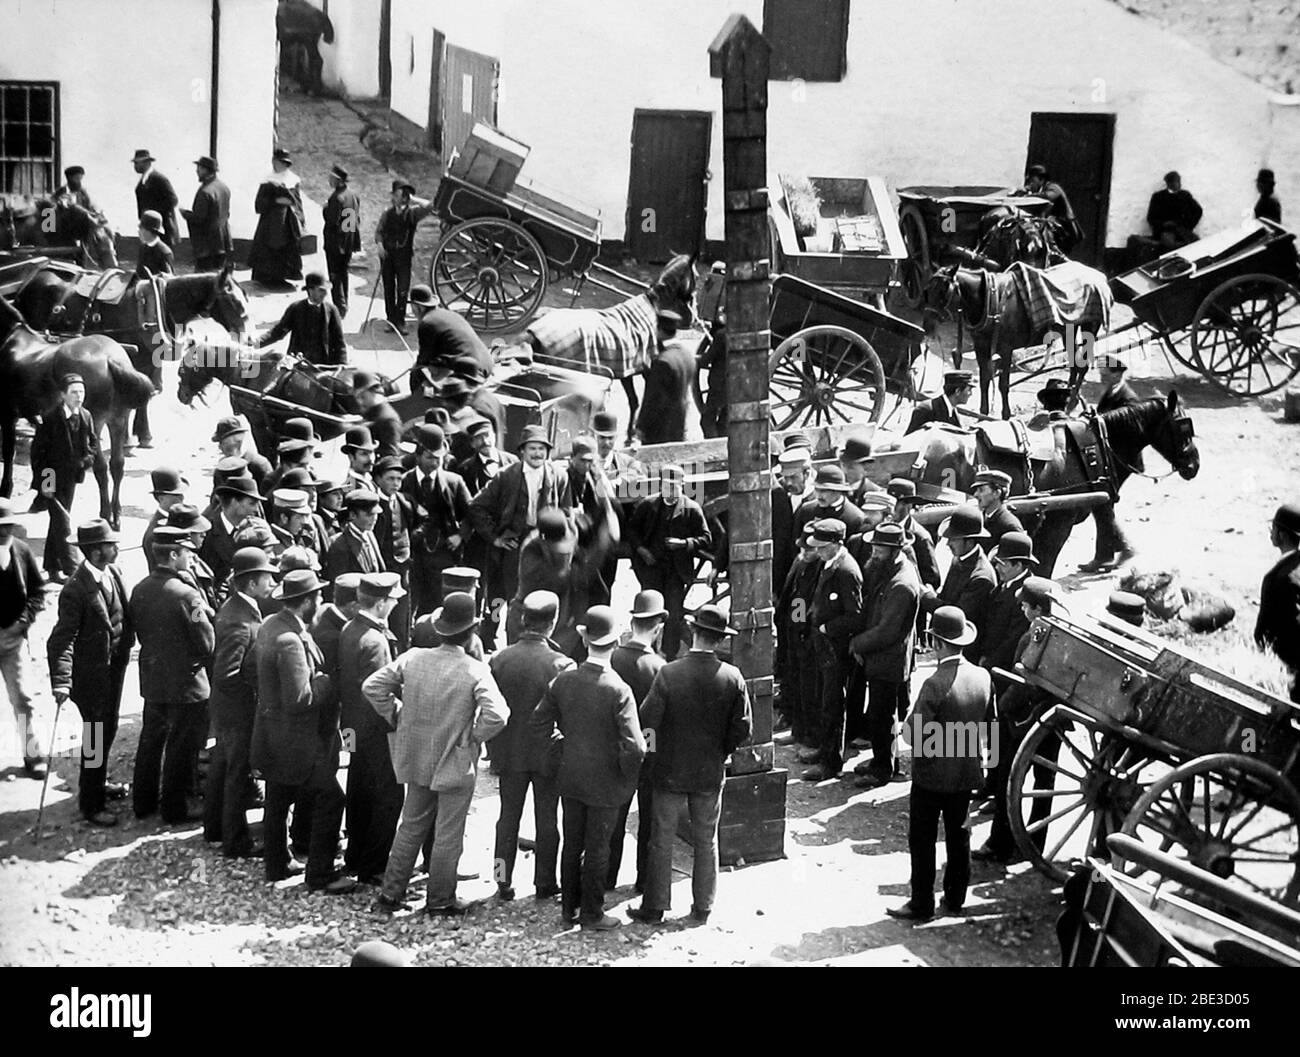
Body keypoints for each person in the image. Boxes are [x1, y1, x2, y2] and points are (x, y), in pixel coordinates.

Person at [364, 592, 508, 915]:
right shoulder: (475, 670)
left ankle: (389, 896)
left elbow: (372, 686)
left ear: (440, 629)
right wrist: (473, 737)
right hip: (455, 761)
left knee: (410, 825)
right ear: (471, 632)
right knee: (447, 833)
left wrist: (398, 715)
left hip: (416, 755)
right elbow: (498, 714)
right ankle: (440, 901)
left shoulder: (413, 658)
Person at [628, 604, 751, 926]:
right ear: (721, 639)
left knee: (661, 838)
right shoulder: (732, 676)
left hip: (669, 770)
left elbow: (648, 724)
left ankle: (654, 907)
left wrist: (653, 756)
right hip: (709, 772)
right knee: (706, 840)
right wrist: (721, 751)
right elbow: (743, 728)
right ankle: (702, 907)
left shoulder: (669, 673)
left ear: (693, 632)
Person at [531, 605, 646, 931]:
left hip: (570, 777)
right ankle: (593, 913)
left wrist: (559, 751)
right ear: (615, 643)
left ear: (583, 639)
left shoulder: (562, 681)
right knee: (597, 848)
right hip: (605, 783)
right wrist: (625, 774)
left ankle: (569, 909)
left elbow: (538, 723)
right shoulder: (619, 690)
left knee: (573, 842)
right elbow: (636, 746)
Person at [251, 569, 353, 893]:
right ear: (307, 602)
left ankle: (277, 863)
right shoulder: (290, 641)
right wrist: (324, 681)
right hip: (296, 740)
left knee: (278, 797)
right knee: (332, 798)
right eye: (318, 597)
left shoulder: (271, 625)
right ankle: (320, 874)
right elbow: (300, 699)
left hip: (272, 733)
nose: (321, 601)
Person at [887, 605, 991, 922]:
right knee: (959, 837)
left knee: (923, 840)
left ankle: (922, 903)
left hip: (932, 777)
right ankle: (956, 898)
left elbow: (911, 736)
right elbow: (991, 725)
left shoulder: (934, 683)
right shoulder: (983, 676)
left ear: (937, 643)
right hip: (967, 773)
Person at [489, 591, 576, 901]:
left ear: (523, 620)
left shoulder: (499, 659)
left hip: (508, 753)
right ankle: (545, 882)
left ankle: (501, 880)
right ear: (551, 625)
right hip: (547, 755)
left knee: (507, 819)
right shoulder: (562, 664)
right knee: (548, 820)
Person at [46, 519, 133, 825]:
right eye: (111, 544)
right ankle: (91, 804)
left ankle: (97, 783)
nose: (117, 548)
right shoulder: (75, 590)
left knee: (106, 732)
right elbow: (61, 639)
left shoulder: (114, 573)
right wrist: (61, 681)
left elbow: (125, 615)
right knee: (95, 737)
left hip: (114, 672)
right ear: (96, 551)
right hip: (90, 679)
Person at [129, 526, 215, 824]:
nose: (191, 558)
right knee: (180, 746)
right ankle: (175, 808)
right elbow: (206, 641)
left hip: (153, 678)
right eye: (187, 553)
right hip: (186, 683)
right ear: (174, 555)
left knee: (151, 740)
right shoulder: (187, 596)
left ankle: (143, 801)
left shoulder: (139, 588)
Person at [975, 576, 1060, 864]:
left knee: (1006, 782)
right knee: (1044, 783)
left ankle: (1000, 844)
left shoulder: (1032, 635)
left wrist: (1001, 705)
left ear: (1037, 609)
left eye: (1025, 605)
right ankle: (1035, 843)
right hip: (1054, 720)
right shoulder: (1062, 634)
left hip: (1024, 720)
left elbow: (1023, 681)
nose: (1022, 609)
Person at [202, 547, 277, 858]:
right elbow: (226, 673)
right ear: (250, 584)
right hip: (237, 711)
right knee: (236, 772)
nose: (272, 583)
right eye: (267, 579)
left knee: (223, 766)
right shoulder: (238, 619)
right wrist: (255, 695)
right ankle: (236, 842)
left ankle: (215, 829)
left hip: (229, 709)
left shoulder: (241, 608)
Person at [468, 424, 575, 629]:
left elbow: (567, 511)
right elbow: (476, 506)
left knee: (541, 596)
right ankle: (493, 632)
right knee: (502, 597)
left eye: (541, 449)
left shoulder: (559, 476)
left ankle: (537, 633)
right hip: (513, 545)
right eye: (532, 448)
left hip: (545, 546)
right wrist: (495, 538)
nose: (537, 453)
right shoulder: (506, 475)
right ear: (522, 451)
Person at [339, 572, 405, 885]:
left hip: (353, 727)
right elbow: (380, 691)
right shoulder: (375, 641)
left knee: (359, 790)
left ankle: (355, 856)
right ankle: (375, 865)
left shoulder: (351, 628)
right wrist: (398, 719)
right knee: (389, 796)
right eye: (392, 600)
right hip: (376, 730)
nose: (394, 604)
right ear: (380, 603)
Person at [848, 523, 921, 789]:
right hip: (881, 657)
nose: (874, 553)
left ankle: (883, 769)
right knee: (880, 715)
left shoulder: (901, 584)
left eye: (879, 549)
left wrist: (857, 644)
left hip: (888, 659)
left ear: (894, 550)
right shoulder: (889, 571)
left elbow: (887, 631)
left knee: (882, 715)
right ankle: (883, 759)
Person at [607, 590, 668, 893]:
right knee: (648, 821)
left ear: (632, 623)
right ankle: (644, 881)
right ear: (658, 627)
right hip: (649, 752)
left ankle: (606, 877)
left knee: (613, 817)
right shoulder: (660, 668)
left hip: (614, 750)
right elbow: (660, 718)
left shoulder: (613, 657)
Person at [799, 518, 863, 782]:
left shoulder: (847, 571)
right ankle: (824, 749)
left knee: (833, 705)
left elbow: (856, 616)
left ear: (837, 544)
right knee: (823, 700)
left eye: (823, 546)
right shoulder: (827, 563)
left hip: (836, 649)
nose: (819, 551)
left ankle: (831, 762)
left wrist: (827, 628)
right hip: (823, 646)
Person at [627, 464, 711, 661]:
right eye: (667, 486)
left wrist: (684, 544)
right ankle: (647, 652)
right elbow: (631, 531)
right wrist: (642, 550)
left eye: (675, 486)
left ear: (683, 486)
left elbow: (706, 538)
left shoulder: (691, 508)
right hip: (652, 568)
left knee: (673, 614)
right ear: (661, 485)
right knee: (649, 611)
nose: (671, 490)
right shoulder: (648, 505)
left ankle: (668, 654)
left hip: (676, 571)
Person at [30, 374, 99, 583]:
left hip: (71, 480)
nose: (79, 397)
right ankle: (71, 568)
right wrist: (46, 484)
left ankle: (51, 567)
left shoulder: (86, 416)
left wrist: (84, 462)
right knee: (62, 522)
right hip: (52, 478)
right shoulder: (51, 418)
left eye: (82, 392)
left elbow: (94, 446)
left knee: (57, 521)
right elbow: (38, 454)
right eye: (74, 393)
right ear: (63, 395)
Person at [0, 499, 49, 778]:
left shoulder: (21, 551)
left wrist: (22, 623)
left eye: (7, 527)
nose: (3, 533)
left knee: (23, 699)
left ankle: (32, 756)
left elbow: (38, 593)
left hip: (12, 641)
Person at [402, 424, 471, 618]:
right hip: (413, 554)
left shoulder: (453, 481)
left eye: (439, 458)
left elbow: (472, 512)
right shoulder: (404, 482)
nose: (435, 463)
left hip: (443, 553)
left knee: (437, 603)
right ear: (418, 456)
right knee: (411, 601)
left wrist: (460, 535)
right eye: (430, 457)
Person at [1080, 353, 1140, 573]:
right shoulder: (1112, 392)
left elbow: (1125, 430)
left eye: (1105, 375)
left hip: (1123, 461)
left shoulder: (1129, 398)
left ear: (1118, 374)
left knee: (1102, 503)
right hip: (1110, 457)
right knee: (1102, 504)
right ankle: (1123, 548)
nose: (1102, 379)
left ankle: (1105, 556)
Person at [922, 506, 996, 660]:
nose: (948, 544)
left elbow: (956, 617)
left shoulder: (981, 577)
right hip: (949, 645)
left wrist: (926, 597)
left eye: (953, 539)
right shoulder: (961, 558)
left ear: (969, 541)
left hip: (965, 652)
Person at [375, 180, 437, 332]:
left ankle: (400, 322)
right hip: (388, 257)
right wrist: (380, 245)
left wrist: (413, 199)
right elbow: (379, 232)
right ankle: (391, 321)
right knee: (389, 289)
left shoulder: (413, 213)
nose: (396, 198)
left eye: (400, 195)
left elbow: (431, 206)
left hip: (403, 257)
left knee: (403, 290)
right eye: (395, 195)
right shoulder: (387, 214)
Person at [1256, 502, 1300, 703]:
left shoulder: (1277, 578)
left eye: (1273, 528)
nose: (1270, 533)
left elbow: (1264, 632)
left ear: (1281, 535)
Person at [979, 532, 1039, 675]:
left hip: (1003, 667)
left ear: (1018, 565)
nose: (997, 568)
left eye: (1002, 564)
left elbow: (1012, 640)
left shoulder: (1026, 595)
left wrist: (989, 663)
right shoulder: (1007, 582)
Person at [258, 272, 347, 366]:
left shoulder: (332, 310)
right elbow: (278, 332)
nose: (325, 294)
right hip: (298, 363)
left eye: (326, 290)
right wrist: (256, 342)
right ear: (310, 290)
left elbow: (339, 341)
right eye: (321, 290)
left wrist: (342, 365)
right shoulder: (296, 308)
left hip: (323, 366)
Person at [636, 310, 697, 445]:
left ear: (659, 330)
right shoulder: (688, 355)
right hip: (680, 423)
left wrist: (641, 427)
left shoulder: (662, 362)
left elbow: (652, 399)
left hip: (659, 429)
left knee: (655, 464)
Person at [372, 456, 414, 649]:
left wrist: (409, 543)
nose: (396, 483)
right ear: (379, 479)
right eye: (390, 478)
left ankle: (402, 648)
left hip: (402, 565)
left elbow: (423, 519)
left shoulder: (404, 501)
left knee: (402, 613)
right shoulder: (372, 504)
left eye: (399, 479)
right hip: (382, 567)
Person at [411, 303, 495, 397]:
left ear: (417, 307)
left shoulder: (427, 322)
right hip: (487, 363)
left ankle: (417, 404)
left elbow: (423, 360)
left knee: (417, 372)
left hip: (470, 370)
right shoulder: (451, 314)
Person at [248, 148, 304, 285]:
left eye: (285, 163)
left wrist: (301, 220)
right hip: (269, 222)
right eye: (279, 162)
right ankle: (265, 277)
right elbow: (259, 204)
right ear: (274, 161)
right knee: (266, 249)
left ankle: (282, 277)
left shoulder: (292, 180)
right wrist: (275, 201)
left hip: (287, 223)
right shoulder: (267, 180)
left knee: (285, 249)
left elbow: (296, 202)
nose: (281, 166)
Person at [201, 474, 263, 592]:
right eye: (252, 503)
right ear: (235, 502)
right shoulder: (207, 533)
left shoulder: (254, 530)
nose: (256, 509)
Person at [180, 156, 232, 272]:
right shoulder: (224, 188)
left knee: (204, 279)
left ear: (205, 170)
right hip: (223, 242)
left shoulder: (205, 192)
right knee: (219, 277)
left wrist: (185, 213)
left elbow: (199, 218)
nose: (197, 171)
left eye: (199, 168)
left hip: (207, 247)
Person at [322, 164, 361, 315]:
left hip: (335, 241)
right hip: (348, 240)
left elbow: (331, 220)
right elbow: (353, 221)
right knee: (343, 272)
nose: (329, 180)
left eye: (331, 178)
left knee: (334, 274)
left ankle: (339, 306)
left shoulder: (336, 198)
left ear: (338, 181)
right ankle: (345, 303)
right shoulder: (353, 195)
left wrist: (326, 208)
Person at [325, 490, 386, 582]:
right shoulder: (338, 544)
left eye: (376, 514)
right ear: (353, 515)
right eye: (369, 515)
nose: (374, 519)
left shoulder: (369, 534)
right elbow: (339, 583)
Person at [794, 464, 866, 541]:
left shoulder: (855, 518)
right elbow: (795, 543)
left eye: (824, 491)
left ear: (838, 491)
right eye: (817, 489)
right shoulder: (806, 510)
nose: (818, 495)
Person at [1022, 164, 1081, 253]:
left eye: (1033, 181)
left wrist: (1028, 196)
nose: (1031, 184)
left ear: (1041, 179)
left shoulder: (1053, 187)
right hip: (1055, 225)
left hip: (1065, 228)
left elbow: (1049, 196)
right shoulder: (1040, 189)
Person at [142, 466, 188, 572]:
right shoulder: (154, 533)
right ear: (161, 498)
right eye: (176, 495)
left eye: (181, 494)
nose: (181, 498)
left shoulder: (179, 517)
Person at [132, 148, 180, 247]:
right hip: (149, 230)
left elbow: (173, 200)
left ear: (147, 163)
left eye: (137, 163)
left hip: (162, 229)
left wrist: (153, 214)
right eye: (135, 163)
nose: (135, 166)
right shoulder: (143, 181)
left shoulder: (159, 179)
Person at [970, 469, 1023, 550]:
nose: (975, 495)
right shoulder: (979, 520)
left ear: (996, 494)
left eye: (981, 490)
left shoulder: (1010, 526)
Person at [1146, 171, 1202, 249]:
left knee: (1196, 244)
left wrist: (1188, 225)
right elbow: (1151, 218)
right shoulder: (1158, 197)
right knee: (1171, 246)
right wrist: (1164, 224)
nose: (1178, 184)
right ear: (1168, 184)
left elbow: (1198, 211)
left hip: (1183, 230)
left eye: (1178, 181)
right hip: (1166, 232)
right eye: (1174, 182)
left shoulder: (1185, 195)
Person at [353, 371, 403, 457]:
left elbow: (390, 457)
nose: (359, 402)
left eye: (362, 396)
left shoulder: (387, 420)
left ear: (373, 392)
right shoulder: (371, 412)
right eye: (357, 398)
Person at [906, 370, 972, 433]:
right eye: (969, 390)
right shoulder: (925, 410)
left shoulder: (953, 411)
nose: (971, 394)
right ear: (957, 391)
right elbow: (910, 440)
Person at [839, 431, 885, 507]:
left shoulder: (875, 494)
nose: (845, 471)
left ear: (865, 467)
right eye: (844, 465)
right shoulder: (833, 490)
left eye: (851, 467)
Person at [134, 210, 174, 280]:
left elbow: (167, 279)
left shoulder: (164, 252)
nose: (139, 231)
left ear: (150, 231)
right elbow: (139, 272)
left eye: (141, 228)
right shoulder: (143, 247)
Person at [341, 426, 378, 494]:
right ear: (351, 457)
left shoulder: (370, 481)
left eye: (371, 453)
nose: (370, 459)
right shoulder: (349, 487)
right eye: (364, 454)